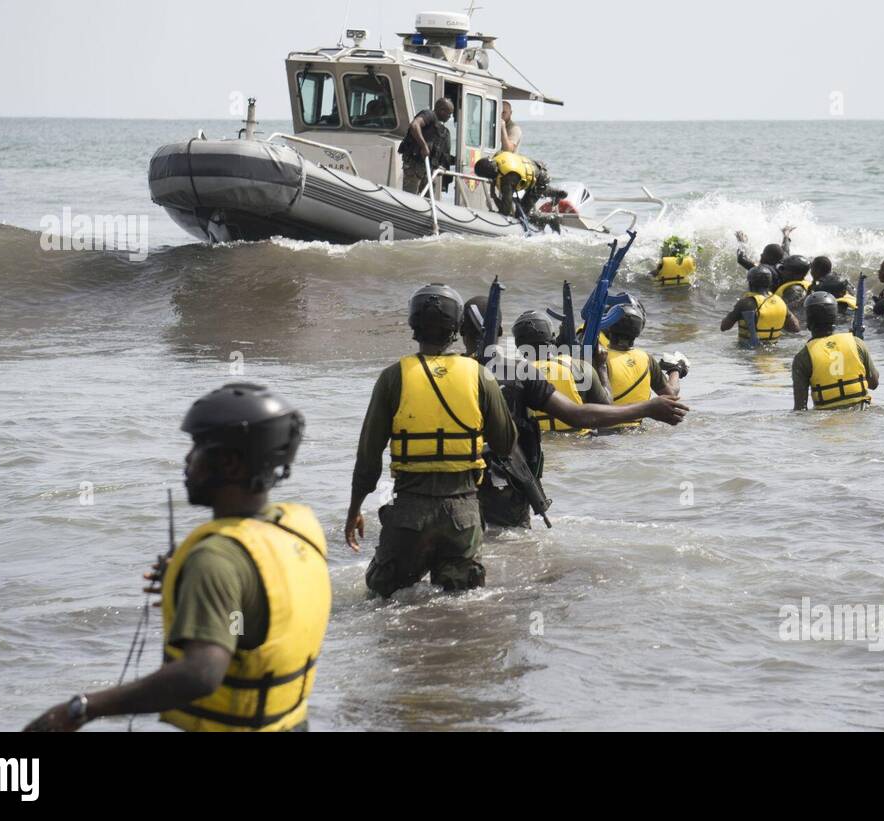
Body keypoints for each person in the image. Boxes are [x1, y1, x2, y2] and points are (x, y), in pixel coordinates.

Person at [25, 384, 330, 732]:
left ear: (229, 463)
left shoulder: (215, 560)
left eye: (197, 447)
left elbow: (201, 674)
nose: (187, 460)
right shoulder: (299, 529)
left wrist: (81, 709)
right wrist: (199, 593)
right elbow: (251, 621)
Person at [346, 284, 517, 597]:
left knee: (382, 598)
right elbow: (505, 444)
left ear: (413, 326)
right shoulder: (479, 375)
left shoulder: (392, 377)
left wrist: (354, 509)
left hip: (409, 517)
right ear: (456, 329)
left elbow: (368, 457)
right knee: (461, 607)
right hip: (463, 516)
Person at [463, 295, 689, 527]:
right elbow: (598, 411)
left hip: (482, 475)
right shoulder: (574, 367)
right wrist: (602, 368)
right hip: (580, 449)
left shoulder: (507, 373)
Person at [511, 310, 612, 432]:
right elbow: (607, 410)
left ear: (518, 346)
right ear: (552, 338)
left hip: (541, 443)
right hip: (581, 443)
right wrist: (601, 366)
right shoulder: (579, 367)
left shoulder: (515, 374)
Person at [603, 297, 687, 431]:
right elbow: (671, 394)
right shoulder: (647, 359)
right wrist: (675, 370)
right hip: (637, 429)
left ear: (608, 327)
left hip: (605, 430)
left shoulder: (599, 358)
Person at [792, 292, 880, 411]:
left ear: (808, 323)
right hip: (861, 414)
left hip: (826, 418)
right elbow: (874, 384)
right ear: (835, 319)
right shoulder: (857, 343)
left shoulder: (803, 356)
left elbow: (800, 408)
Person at [720, 263, 800, 345]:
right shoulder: (780, 302)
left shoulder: (746, 303)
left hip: (748, 353)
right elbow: (795, 328)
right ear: (770, 283)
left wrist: (735, 311)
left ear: (750, 283)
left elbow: (724, 327)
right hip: (773, 352)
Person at [473, 152, 558, 219]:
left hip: (540, 179)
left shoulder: (507, 180)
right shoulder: (498, 155)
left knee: (520, 215)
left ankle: (550, 220)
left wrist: (494, 196)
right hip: (538, 168)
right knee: (536, 190)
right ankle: (558, 193)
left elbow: (506, 210)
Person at [398, 97, 454, 194]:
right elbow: (414, 125)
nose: (449, 117)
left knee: (427, 200)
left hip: (429, 170)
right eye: (449, 113)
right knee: (410, 198)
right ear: (441, 110)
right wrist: (424, 146)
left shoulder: (442, 130)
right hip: (415, 167)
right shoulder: (429, 115)